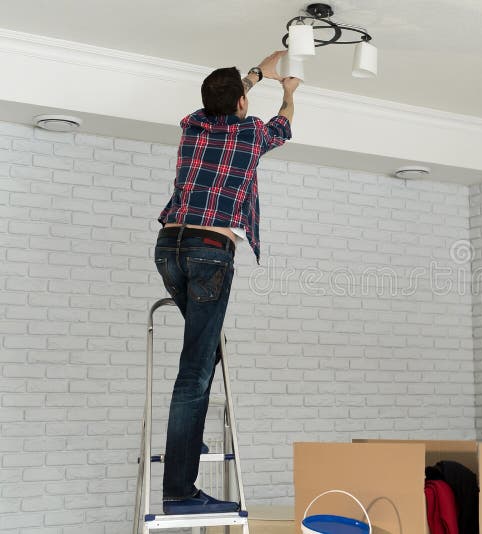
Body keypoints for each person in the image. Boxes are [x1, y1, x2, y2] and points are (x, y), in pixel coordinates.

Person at [154, 50, 299, 514]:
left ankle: (185, 444)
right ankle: (179, 489)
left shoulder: (191, 127)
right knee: (193, 374)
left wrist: (255, 73)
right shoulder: (252, 133)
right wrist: (288, 89)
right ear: (241, 103)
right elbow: (285, 124)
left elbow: (222, 102)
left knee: (206, 350)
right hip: (209, 253)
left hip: (169, 248)